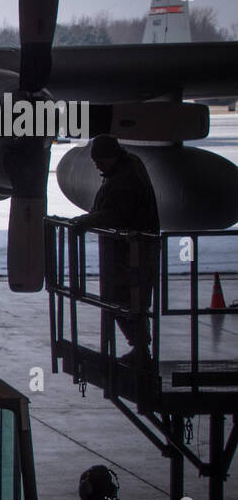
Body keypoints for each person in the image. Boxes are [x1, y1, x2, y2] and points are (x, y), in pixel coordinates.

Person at [70, 134, 160, 365]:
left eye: (100, 160)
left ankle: (140, 348)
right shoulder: (128, 167)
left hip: (130, 251)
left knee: (124, 299)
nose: (97, 165)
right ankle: (141, 348)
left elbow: (114, 215)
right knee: (131, 300)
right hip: (132, 248)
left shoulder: (123, 180)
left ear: (111, 157)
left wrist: (84, 221)